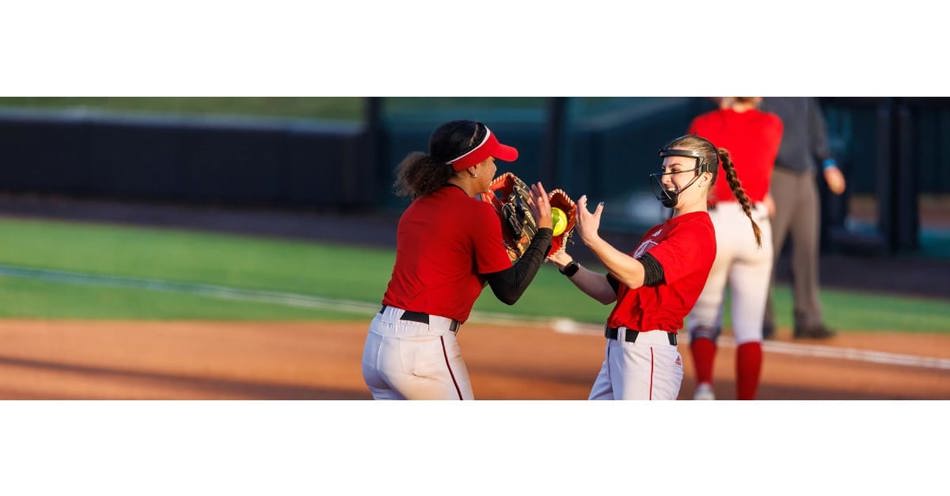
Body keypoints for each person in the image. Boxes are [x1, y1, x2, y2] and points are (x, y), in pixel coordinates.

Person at [547, 134, 760, 400]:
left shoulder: (696, 233)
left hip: (647, 355)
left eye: (675, 170)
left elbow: (637, 276)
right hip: (620, 352)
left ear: (705, 177)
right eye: (665, 170)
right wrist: (564, 261)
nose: (666, 177)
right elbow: (609, 291)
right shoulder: (659, 231)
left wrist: (592, 239)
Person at [361, 120, 553, 400]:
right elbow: (509, 291)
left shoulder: (417, 208)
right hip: (422, 348)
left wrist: (502, 252)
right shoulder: (478, 215)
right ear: (473, 166)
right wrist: (544, 233)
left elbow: (453, 274)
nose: (495, 166)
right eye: (490, 159)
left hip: (378, 344)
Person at [684, 97, 783, 400]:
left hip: (714, 223)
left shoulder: (704, 123)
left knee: (703, 318)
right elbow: (756, 166)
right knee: (750, 329)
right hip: (754, 223)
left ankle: (704, 389)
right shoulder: (772, 124)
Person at [759, 97, 846, 340]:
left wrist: (828, 163)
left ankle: (808, 319)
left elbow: (816, 128)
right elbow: (758, 138)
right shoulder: (763, 97)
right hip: (776, 175)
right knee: (768, 252)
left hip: (805, 175)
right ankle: (762, 319)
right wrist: (762, 185)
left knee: (807, 249)